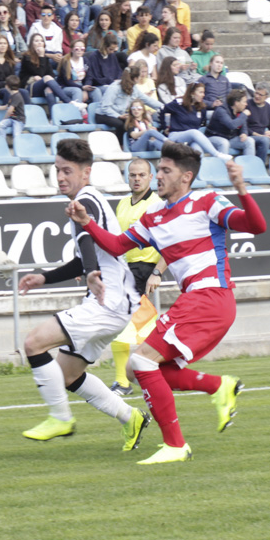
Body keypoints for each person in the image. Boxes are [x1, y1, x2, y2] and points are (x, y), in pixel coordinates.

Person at [65, 141, 267, 464]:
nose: (157, 175)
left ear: (186, 177)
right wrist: (88, 222)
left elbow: (257, 226)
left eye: (164, 170)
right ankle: (219, 386)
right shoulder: (155, 214)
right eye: (158, 169)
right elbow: (117, 246)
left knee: (143, 362)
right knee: (135, 368)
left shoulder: (207, 201)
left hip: (210, 297)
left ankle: (175, 445)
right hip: (196, 300)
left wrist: (241, 187)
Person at [17, 138, 153, 450]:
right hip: (114, 302)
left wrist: (92, 273)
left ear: (85, 173)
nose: (61, 176)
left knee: (33, 343)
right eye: (57, 170)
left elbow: (86, 241)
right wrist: (45, 277)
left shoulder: (85, 202)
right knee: (67, 374)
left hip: (108, 301)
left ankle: (60, 418)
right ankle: (131, 418)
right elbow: (83, 253)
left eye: (67, 170)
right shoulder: (89, 202)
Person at [108, 158, 166, 395]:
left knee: (123, 325)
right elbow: (113, 240)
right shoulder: (122, 204)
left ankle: (125, 381)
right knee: (128, 326)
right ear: (127, 177)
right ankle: (141, 375)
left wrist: (157, 272)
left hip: (144, 270)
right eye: (133, 175)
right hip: (124, 269)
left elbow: (170, 243)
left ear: (151, 177)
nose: (137, 179)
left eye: (142, 175)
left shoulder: (157, 205)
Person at [161, 82, 230, 159]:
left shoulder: (202, 108)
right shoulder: (179, 103)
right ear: (192, 93)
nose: (203, 95)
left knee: (199, 153)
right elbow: (161, 110)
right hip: (176, 135)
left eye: (204, 92)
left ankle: (202, 170)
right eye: (200, 92)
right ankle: (216, 154)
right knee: (194, 132)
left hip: (191, 139)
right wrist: (164, 128)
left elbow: (201, 124)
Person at [96, 63, 163, 139]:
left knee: (132, 120)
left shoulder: (134, 88)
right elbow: (105, 107)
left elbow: (147, 100)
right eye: (139, 76)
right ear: (136, 78)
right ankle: (121, 145)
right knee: (121, 124)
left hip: (120, 114)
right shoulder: (114, 88)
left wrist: (165, 107)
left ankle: (134, 140)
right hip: (103, 114)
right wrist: (118, 116)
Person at [20, 33, 74, 105]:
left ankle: (53, 114)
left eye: (41, 41)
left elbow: (51, 74)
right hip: (30, 87)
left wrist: (43, 79)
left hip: (43, 86)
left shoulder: (45, 58)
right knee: (47, 78)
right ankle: (69, 102)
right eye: (36, 41)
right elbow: (40, 73)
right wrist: (41, 56)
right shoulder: (27, 57)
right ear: (32, 44)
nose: (39, 43)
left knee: (49, 90)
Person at [205, 88, 257, 158]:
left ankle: (248, 166)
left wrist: (244, 133)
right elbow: (232, 125)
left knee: (249, 141)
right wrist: (244, 115)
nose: (246, 104)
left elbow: (243, 125)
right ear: (236, 102)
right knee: (224, 143)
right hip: (214, 137)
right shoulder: (221, 110)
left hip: (230, 138)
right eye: (244, 102)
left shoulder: (240, 110)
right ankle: (222, 167)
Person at [0, 35, 30, 104]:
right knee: (7, 92)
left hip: (9, 87)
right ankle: (6, 113)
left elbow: (13, 78)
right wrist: (5, 84)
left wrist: (9, 85)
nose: (3, 45)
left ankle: (26, 113)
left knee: (24, 92)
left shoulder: (9, 61)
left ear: (7, 46)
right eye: (0, 43)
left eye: (5, 43)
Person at [58, 39, 101, 104]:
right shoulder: (66, 61)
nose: (79, 51)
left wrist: (87, 87)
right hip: (66, 87)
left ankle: (98, 111)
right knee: (77, 91)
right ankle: (78, 111)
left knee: (96, 90)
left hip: (82, 86)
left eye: (82, 49)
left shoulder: (85, 60)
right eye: (77, 49)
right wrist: (82, 88)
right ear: (72, 49)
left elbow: (89, 76)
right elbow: (67, 81)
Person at [85, 32, 123, 98]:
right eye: (110, 49)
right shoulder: (94, 57)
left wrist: (118, 80)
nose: (112, 51)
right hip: (100, 85)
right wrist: (111, 81)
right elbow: (96, 78)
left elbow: (118, 71)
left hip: (112, 84)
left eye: (114, 50)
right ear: (104, 46)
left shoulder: (112, 55)